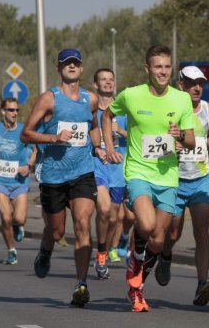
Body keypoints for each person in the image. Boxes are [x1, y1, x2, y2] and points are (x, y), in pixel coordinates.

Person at [102, 44, 195, 313]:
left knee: (158, 239)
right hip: (139, 172)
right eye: (158, 67)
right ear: (147, 68)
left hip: (168, 176)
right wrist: (109, 147)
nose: (163, 72)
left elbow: (190, 141)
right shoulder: (131, 95)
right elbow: (107, 115)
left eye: (167, 67)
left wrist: (179, 135)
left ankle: (136, 283)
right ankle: (136, 268)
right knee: (146, 222)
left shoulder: (181, 99)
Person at [21, 48, 105, 308]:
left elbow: (92, 126)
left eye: (75, 63)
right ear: (58, 68)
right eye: (66, 63)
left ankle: (81, 284)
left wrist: (99, 147)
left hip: (82, 171)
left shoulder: (90, 99)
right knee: (56, 230)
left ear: (81, 68)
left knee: (82, 223)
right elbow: (26, 134)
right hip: (54, 174)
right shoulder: (49, 99)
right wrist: (52, 138)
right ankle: (45, 250)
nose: (71, 66)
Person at [155, 66, 209, 306]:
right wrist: (172, 146)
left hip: (201, 180)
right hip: (175, 179)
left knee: (202, 232)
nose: (197, 88)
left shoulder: (207, 110)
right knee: (173, 233)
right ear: (180, 84)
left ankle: (202, 284)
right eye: (192, 83)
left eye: (201, 83)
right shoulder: (169, 108)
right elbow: (156, 139)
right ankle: (165, 254)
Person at [0, 98, 36, 265]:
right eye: (11, 110)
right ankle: (11, 250)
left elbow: (36, 150)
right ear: (3, 111)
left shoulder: (24, 130)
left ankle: (18, 226)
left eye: (17, 110)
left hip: (19, 180)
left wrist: (29, 165)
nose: (15, 113)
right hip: (0, 180)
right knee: (5, 217)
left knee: (19, 219)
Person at [91, 68, 128, 277]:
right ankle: (102, 253)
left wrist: (119, 130)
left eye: (111, 79)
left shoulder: (123, 110)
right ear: (96, 85)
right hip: (97, 167)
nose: (107, 83)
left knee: (114, 217)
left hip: (119, 169)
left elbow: (137, 135)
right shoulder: (91, 110)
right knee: (103, 209)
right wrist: (96, 146)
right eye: (103, 80)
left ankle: (106, 247)